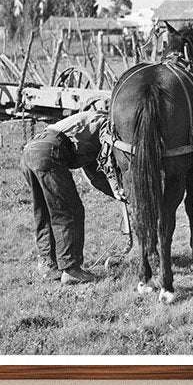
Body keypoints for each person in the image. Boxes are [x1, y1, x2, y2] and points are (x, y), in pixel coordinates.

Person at [20, 108, 117, 284]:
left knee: (44, 211)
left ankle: (48, 263)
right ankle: (71, 269)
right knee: (68, 210)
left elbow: (92, 173)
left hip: (30, 151)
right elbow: (102, 166)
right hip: (49, 150)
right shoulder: (105, 123)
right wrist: (118, 192)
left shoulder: (85, 123)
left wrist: (114, 192)